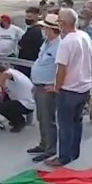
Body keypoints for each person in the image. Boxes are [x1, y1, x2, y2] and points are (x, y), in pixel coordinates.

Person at [46, 8, 92, 167]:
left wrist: (56, 87)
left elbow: (62, 69)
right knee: (76, 122)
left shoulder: (66, 42)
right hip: (84, 87)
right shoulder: (84, 36)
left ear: (63, 23)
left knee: (65, 125)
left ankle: (64, 157)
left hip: (69, 90)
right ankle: (74, 152)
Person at [28, 16, 61, 162]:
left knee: (48, 119)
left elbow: (61, 67)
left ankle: (50, 148)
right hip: (39, 85)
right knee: (41, 117)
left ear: (52, 29)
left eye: (45, 28)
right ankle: (43, 143)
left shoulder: (59, 46)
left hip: (48, 87)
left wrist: (55, 84)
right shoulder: (46, 44)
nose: (43, 30)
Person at [0, 65, 35, 132]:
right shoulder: (11, 77)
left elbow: (5, 74)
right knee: (2, 106)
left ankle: (20, 122)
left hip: (27, 103)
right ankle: (15, 120)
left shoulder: (11, 73)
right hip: (23, 101)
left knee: (2, 108)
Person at [17, 8, 45, 77]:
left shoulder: (35, 31)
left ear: (36, 17)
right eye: (26, 16)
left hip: (27, 64)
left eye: (29, 17)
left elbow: (20, 45)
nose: (27, 19)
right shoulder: (30, 29)